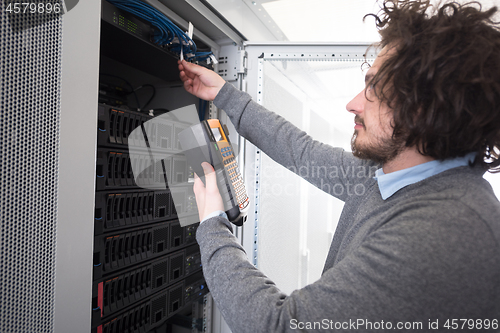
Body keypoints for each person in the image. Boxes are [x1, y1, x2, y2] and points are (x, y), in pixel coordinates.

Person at [178, 0, 500, 331]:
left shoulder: (444, 230)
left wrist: (212, 224)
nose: (353, 104)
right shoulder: (394, 174)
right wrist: (224, 93)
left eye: (373, 88)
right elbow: (302, 152)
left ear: (423, 109)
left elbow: (278, 326)